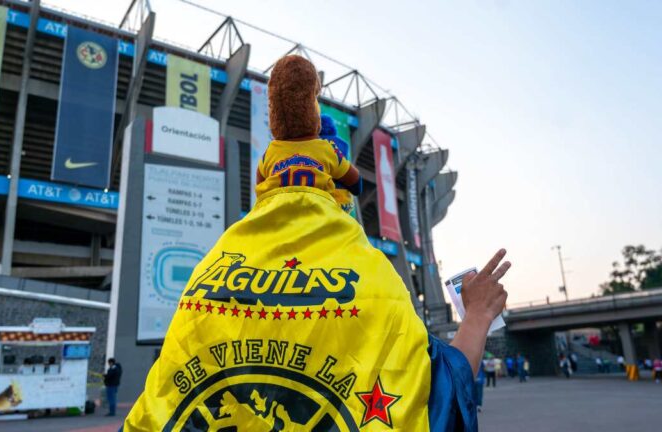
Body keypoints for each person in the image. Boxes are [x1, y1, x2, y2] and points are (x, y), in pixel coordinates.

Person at [122, 55, 512, 432]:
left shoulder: (206, 276)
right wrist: (477, 315)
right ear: (338, 189)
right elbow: (432, 398)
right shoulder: (374, 278)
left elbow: (159, 410)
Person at [255, 59, 362, 205]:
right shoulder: (327, 148)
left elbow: (260, 191)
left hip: (277, 222)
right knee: (356, 229)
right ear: (312, 108)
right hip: (321, 220)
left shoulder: (269, 154)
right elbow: (356, 183)